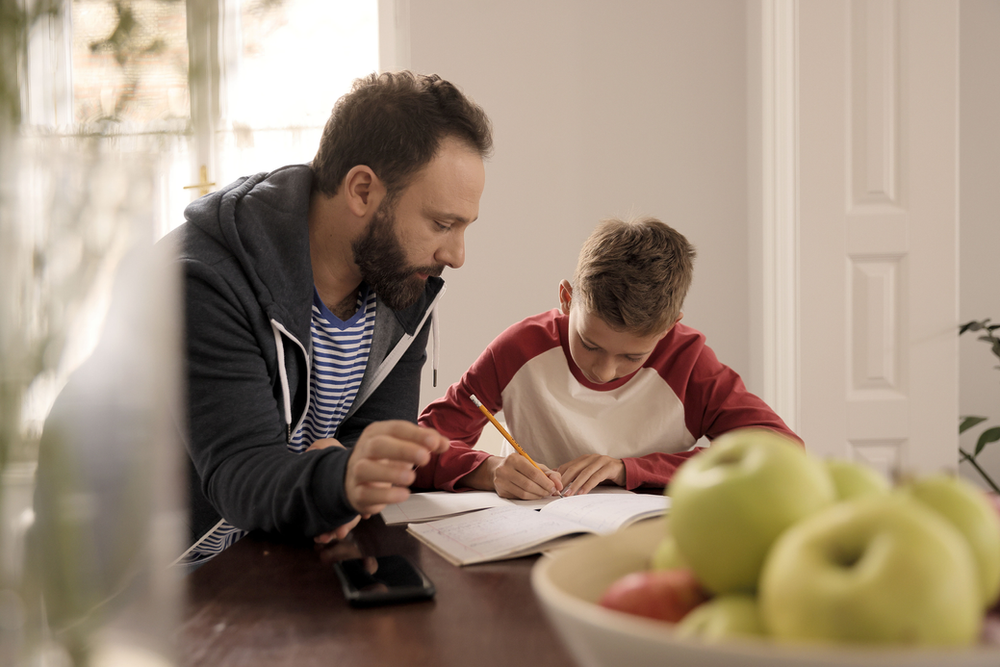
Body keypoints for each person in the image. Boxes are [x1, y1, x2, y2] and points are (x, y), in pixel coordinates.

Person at [166, 71, 493, 564]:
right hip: (142, 580)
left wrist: (341, 471)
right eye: (441, 223)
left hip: (267, 554)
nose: (456, 255)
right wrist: (337, 478)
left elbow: (375, 441)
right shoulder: (203, 280)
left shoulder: (399, 278)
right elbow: (240, 475)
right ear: (362, 190)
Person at [414, 216, 798, 499]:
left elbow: (782, 455)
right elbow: (415, 450)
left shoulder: (689, 364)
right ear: (566, 299)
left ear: (669, 328)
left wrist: (630, 469)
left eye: (632, 356)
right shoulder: (519, 349)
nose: (604, 370)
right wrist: (489, 469)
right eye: (590, 344)